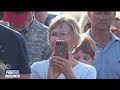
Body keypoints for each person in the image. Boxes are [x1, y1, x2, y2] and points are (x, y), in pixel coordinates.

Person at [30, 15, 97, 79]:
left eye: (63, 34)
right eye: (54, 34)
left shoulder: (88, 71)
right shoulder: (37, 68)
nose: (57, 39)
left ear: (75, 39)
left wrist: (69, 73)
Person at [87, 11, 120, 79]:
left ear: (113, 15)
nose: (102, 17)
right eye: (97, 13)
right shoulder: (76, 46)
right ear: (89, 14)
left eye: (107, 13)